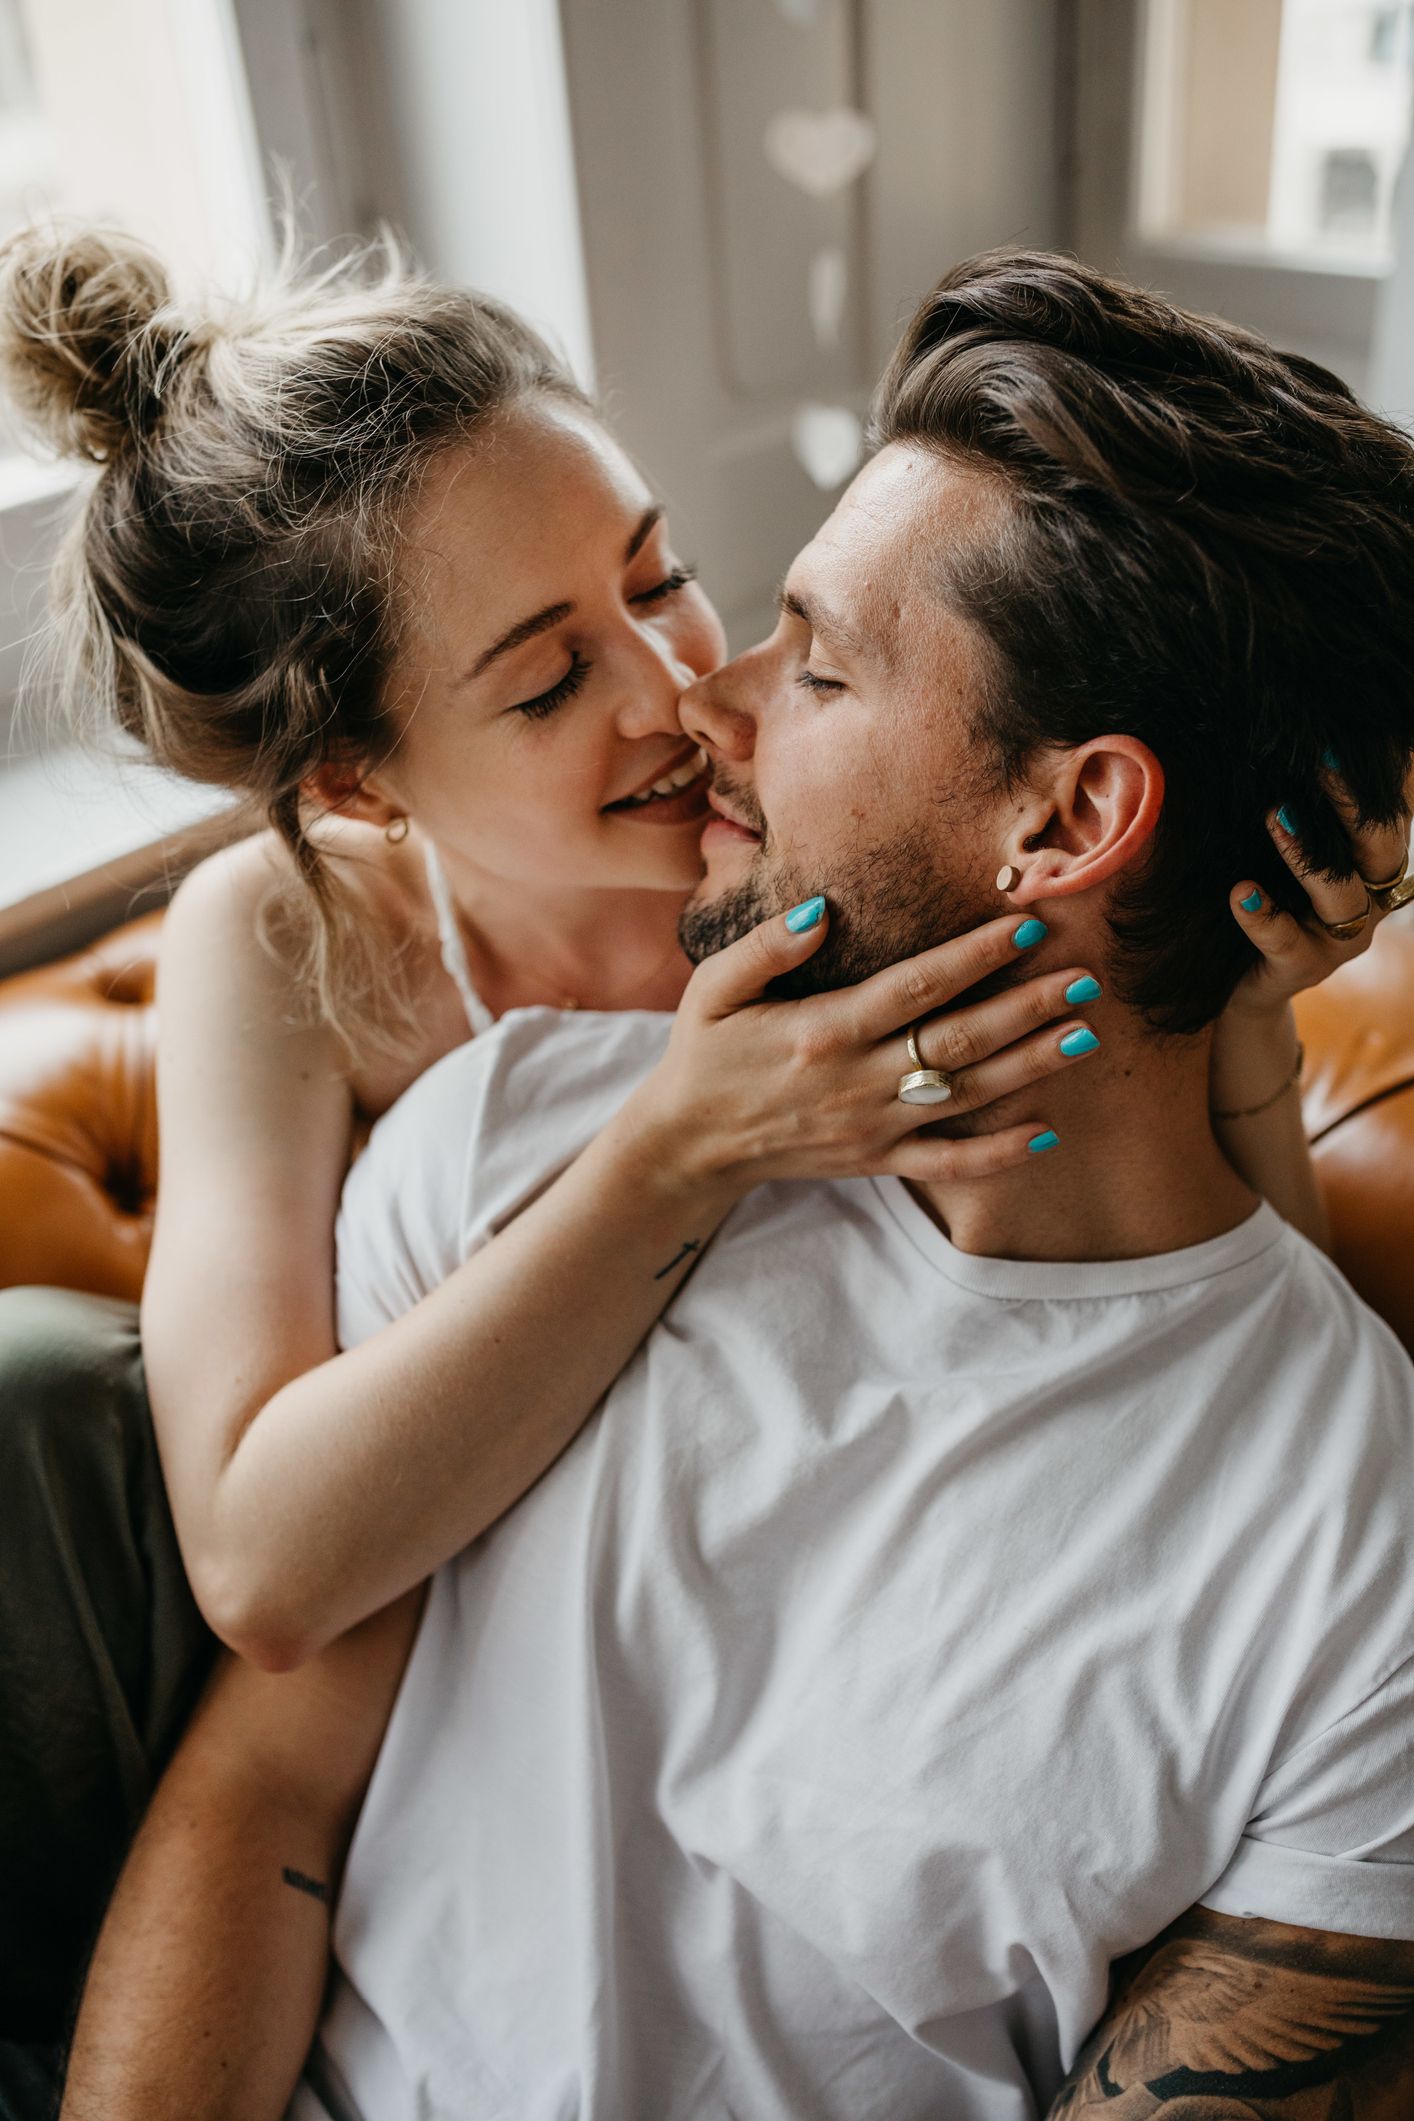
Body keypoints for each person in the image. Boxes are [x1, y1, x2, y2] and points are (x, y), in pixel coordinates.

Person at [58, 250, 1414, 2121]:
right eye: (547, 680)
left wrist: (1232, 1004)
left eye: (670, 579)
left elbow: (1191, 1292)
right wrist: (678, 1145)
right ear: (368, 784)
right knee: (42, 1393)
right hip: (318, 1468)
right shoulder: (445, 1075)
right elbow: (270, 1606)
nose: (700, 694)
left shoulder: (1330, 1525)